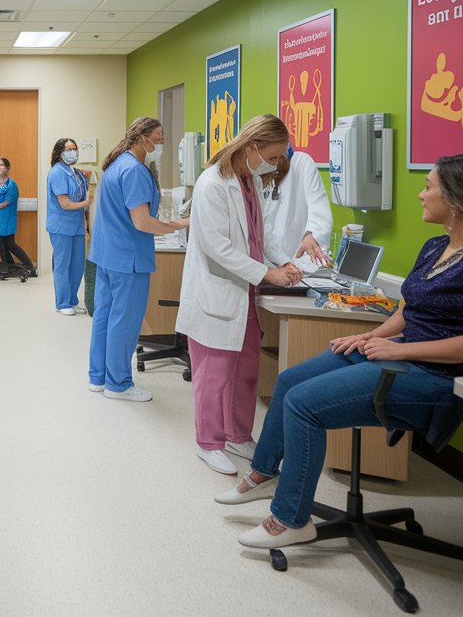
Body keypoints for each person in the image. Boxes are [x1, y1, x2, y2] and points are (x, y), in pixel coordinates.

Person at [217, 153, 463, 550]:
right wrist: (372, 337)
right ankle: (264, 475)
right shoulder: (438, 247)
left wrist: (400, 351)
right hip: (400, 352)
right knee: (290, 379)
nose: (420, 195)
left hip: (439, 377)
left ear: (458, 200)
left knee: (303, 404)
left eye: (429, 186)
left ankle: (291, 519)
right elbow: (408, 308)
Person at [177, 114, 303, 475]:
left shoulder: (250, 181)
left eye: (281, 158)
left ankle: (237, 434)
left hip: (244, 293)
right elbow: (216, 246)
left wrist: (284, 262)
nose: (278, 163)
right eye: (275, 156)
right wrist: (268, 273)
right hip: (217, 292)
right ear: (252, 147)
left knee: (246, 370)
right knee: (213, 374)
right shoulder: (212, 184)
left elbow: (260, 235)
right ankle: (209, 442)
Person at [88, 117, 189, 402]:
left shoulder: (116, 165)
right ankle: (118, 384)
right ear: (142, 137)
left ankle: (99, 377)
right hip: (127, 260)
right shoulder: (133, 170)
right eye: (158, 137)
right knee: (125, 321)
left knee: (105, 318)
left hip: (108, 255)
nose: (161, 143)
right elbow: (143, 222)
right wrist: (181, 224)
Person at [261, 147, 334, 272]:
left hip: (298, 265)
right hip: (260, 268)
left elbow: (320, 209)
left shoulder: (301, 163)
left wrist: (312, 234)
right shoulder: (252, 170)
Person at [47, 138, 89, 315]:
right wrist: (87, 202)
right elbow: (65, 204)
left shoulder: (74, 173)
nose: (73, 152)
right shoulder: (57, 172)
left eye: (74, 148)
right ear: (59, 153)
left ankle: (72, 300)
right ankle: (63, 302)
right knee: (63, 265)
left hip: (77, 226)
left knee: (78, 265)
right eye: (68, 149)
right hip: (61, 226)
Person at [0, 157, 35, 277]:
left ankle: (29, 266)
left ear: (7, 168)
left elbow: (6, 202)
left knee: (11, 245)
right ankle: (9, 267)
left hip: (6, 219)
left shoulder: (12, 185)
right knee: (0, 246)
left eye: (1, 165)